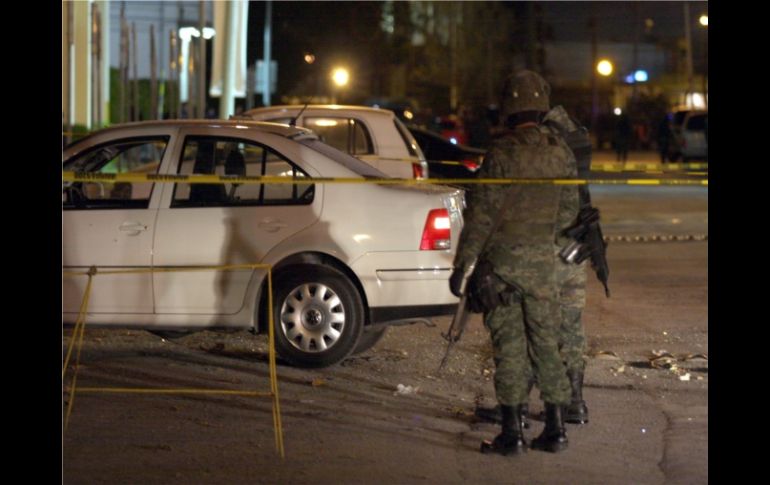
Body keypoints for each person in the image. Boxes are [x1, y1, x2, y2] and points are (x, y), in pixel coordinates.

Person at [450, 70, 575, 455]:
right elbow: (570, 212)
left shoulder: (501, 154)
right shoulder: (560, 151)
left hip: (501, 267)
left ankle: (512, 433)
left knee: (509, 347)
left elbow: (482, 216)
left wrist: (464, 265)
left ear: (510, 107)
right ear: (541, 105)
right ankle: (555, 429)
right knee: (547, 345)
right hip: (544, 266)